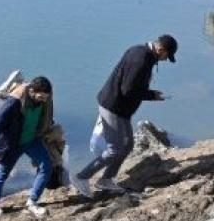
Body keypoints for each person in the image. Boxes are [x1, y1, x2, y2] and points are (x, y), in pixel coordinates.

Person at [74, 34, 178, 197]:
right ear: (160, 49)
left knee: (128, 144)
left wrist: (150, 93)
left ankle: (106, 180)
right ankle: (81, 177)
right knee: (115, 149)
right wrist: (151, 96)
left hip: (120, 108)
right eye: (166, 56)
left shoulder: (140, 51)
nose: (165, 60)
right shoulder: (142, 59)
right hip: (113, 107)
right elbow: (127, 89)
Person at [0, 76, 55, 218]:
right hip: (12, 143)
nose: (44, 100)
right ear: (31, 91)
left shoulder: (45, 100)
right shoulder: (14, 102)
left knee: (46, 166)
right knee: (2, 173)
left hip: (31, 140)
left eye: (46, 97)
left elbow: (46, 118)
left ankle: (32, 201)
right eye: (41, 97)